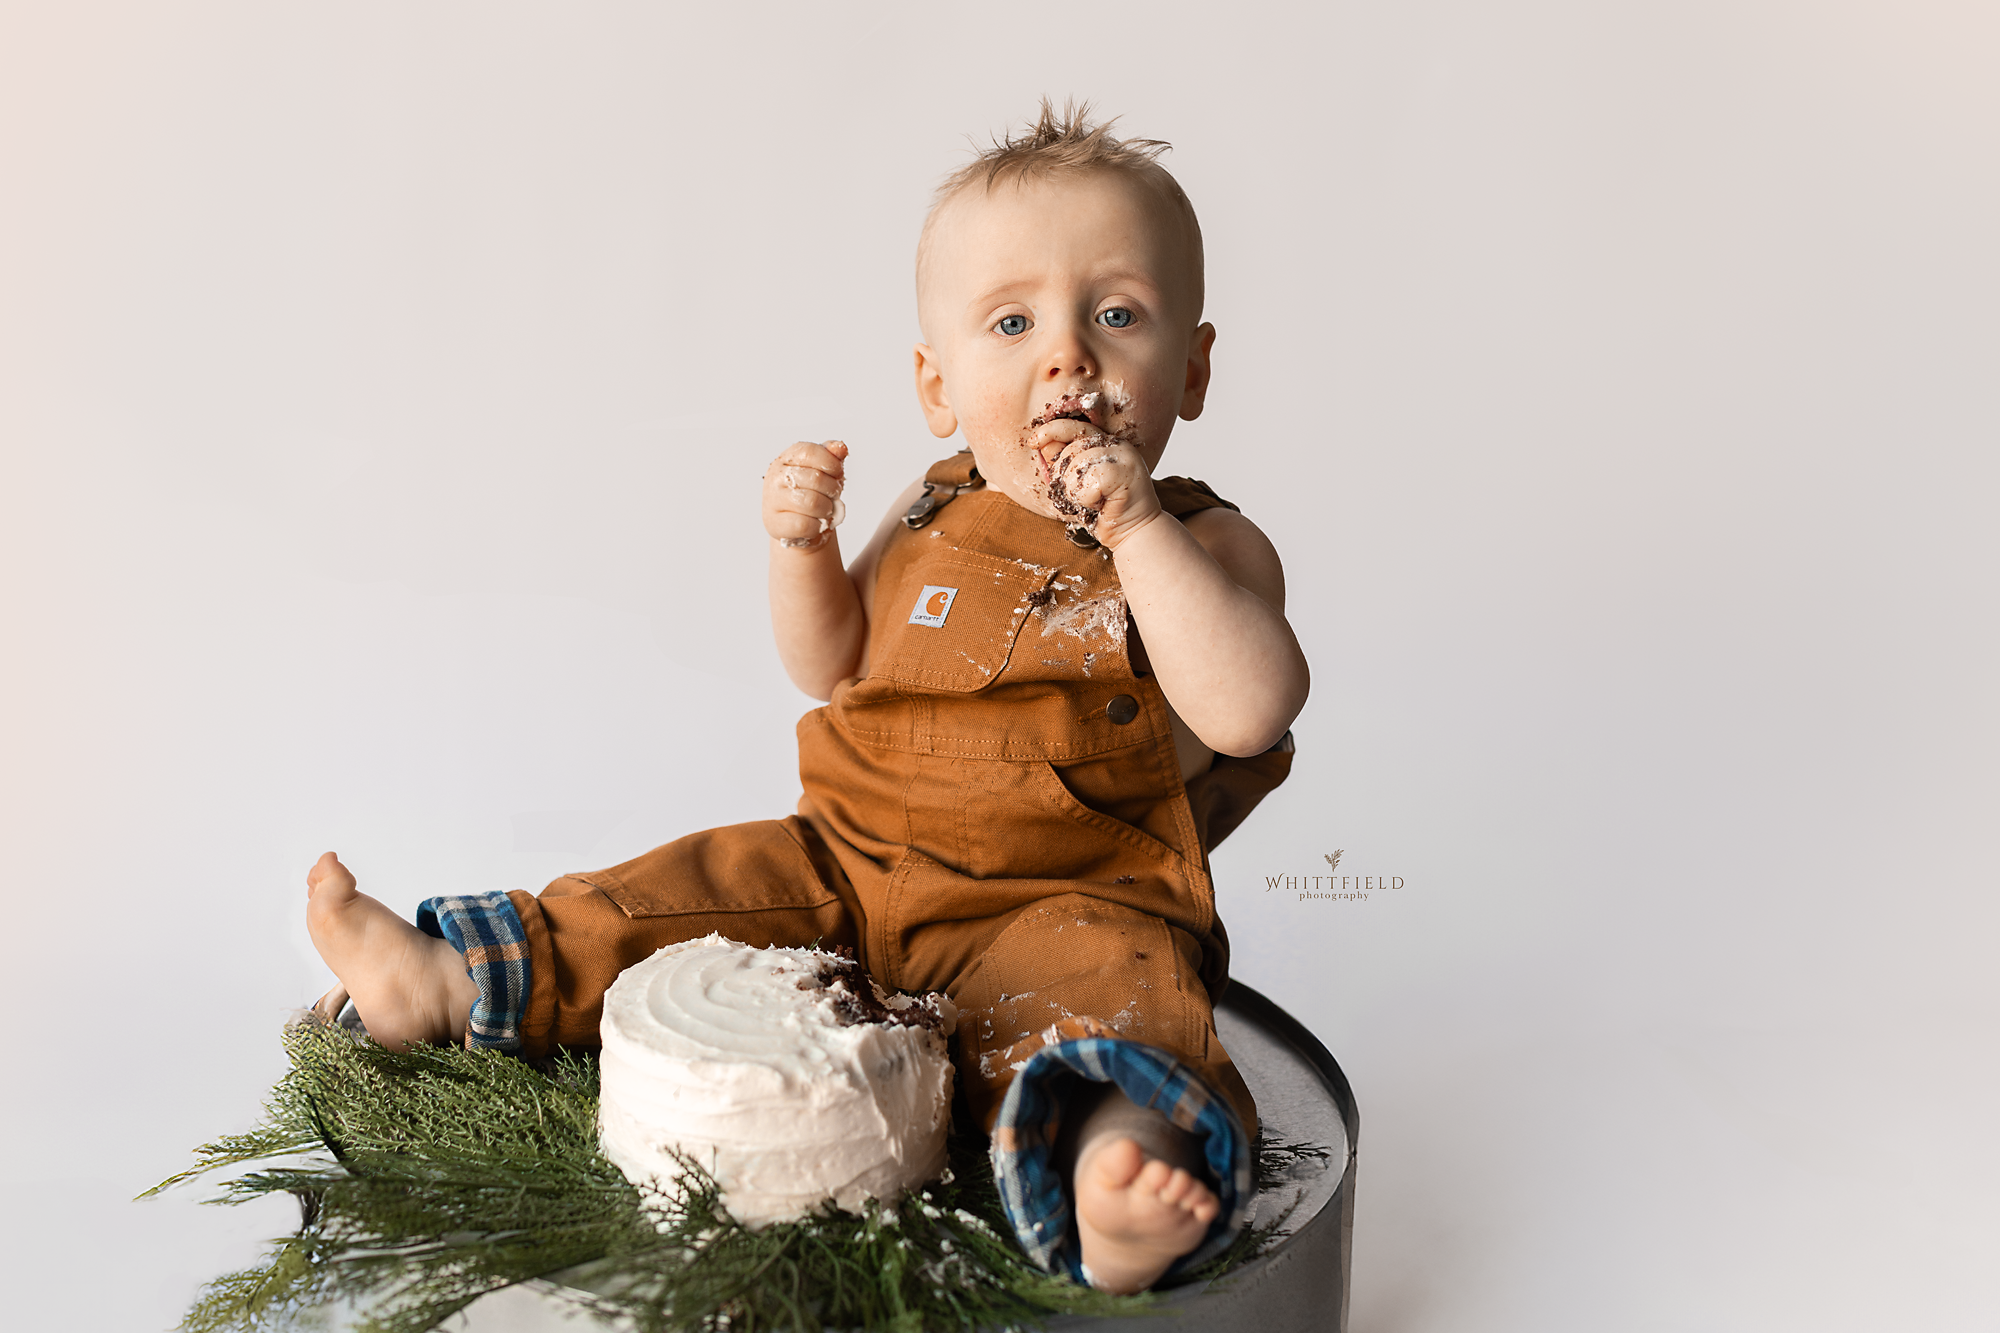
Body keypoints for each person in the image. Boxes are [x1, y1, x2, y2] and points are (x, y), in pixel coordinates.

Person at [303, 100, 1310, 1295]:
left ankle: (1114, 1169)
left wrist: (1134, 522)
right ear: (938, 385)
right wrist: (802, 553)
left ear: (1189, 368)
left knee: (1103, 1009)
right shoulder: (931, 507)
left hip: (1055, 902)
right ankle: (457, 978)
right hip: (841, 861)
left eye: (1116, 314)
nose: (1065, 357)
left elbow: (1249, 707)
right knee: (673, 897)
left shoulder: (1201, 546)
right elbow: (833, 662)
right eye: (1011, 320)